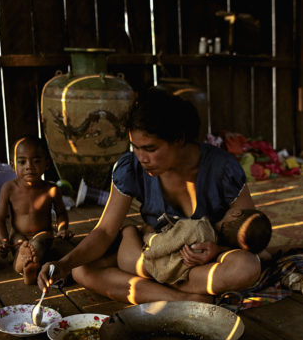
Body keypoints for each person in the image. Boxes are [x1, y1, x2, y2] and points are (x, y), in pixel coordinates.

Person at [37, 88, 265, 304]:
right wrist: (63, 265)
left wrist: (217, 251)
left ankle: (162, 290)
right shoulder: (131, 168)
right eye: (135, 147)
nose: (141, 157)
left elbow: (249, 233)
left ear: (179, 139)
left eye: (150, 148)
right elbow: (105, 231)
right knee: (81, 270)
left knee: (247, 266)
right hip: (155, 255)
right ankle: (184, 299)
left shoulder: (222, 169)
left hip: (201, 262)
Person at [117, 208, 272, 286]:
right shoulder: (212, 250)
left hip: (135, 262)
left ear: (236, 213)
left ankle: (126, 234)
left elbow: (158, 246)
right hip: (167, 278)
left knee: (129, 229)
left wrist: (147, 234)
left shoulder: (196, 228)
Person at [0, 135, 73, 285]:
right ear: (13, 166)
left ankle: (31, 265)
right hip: (18, 237)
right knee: (25, 246)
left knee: (62, 248)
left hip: (44, 235)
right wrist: (4, 241)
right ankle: (26, 267)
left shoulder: (51, 189)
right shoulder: (9, 188)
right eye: (22, 162)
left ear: (47, 164)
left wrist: (62, 230)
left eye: (36, 161)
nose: (29, 166)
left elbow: (61, 212)